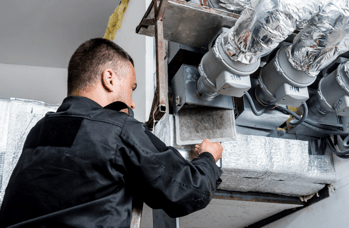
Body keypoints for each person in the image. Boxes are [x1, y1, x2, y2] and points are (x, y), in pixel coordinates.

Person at [0, 38, 223, 228]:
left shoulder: (39, 131)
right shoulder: (117, 129)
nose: (133, 103)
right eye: (132, 88)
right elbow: (189, 190)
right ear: (109, 79)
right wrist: (209, 157)